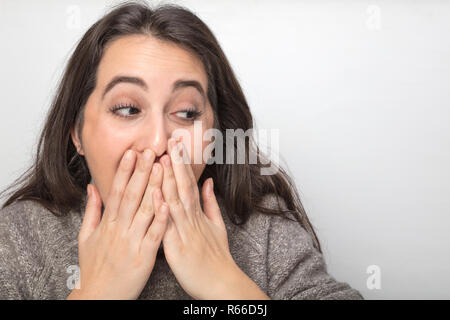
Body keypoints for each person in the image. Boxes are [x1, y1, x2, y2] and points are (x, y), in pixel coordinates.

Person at [0, 1, 363, 300]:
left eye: (186, 113)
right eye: (127, 108)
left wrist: (225, 286)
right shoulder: (21, 237)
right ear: (76, 134)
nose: (159, 143)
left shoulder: (261, 229)